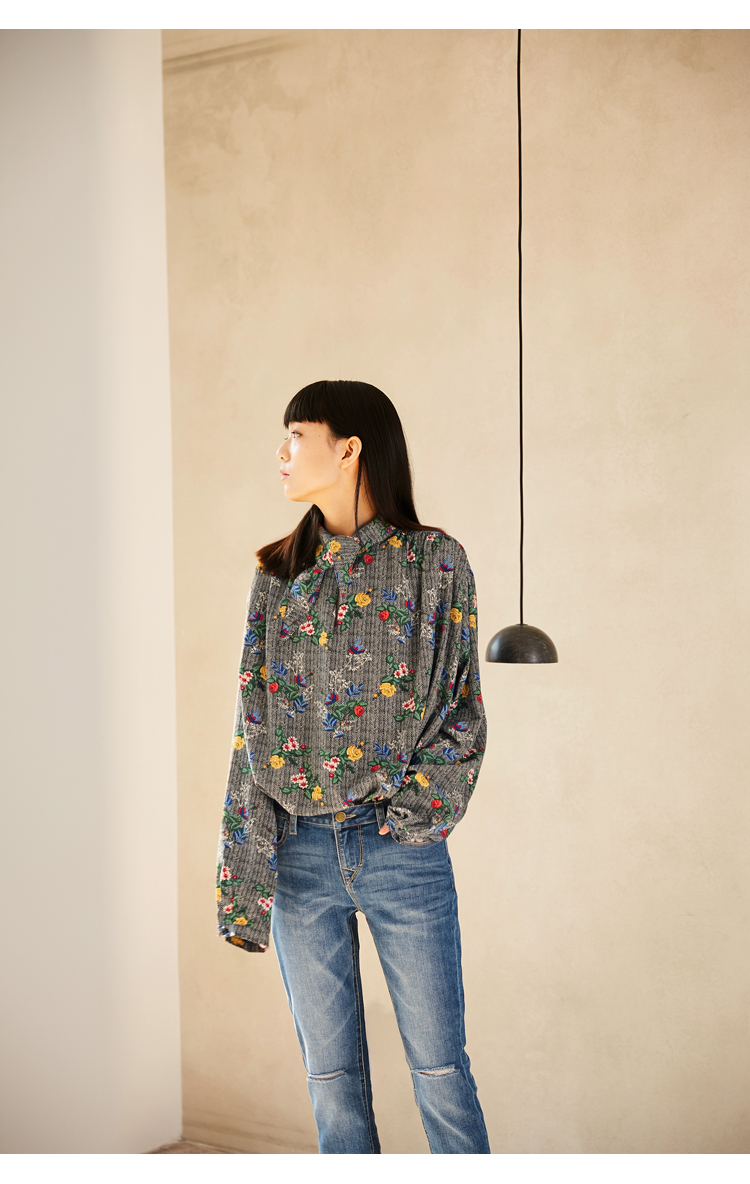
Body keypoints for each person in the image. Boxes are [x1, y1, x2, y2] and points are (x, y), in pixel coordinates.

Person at [216, 379, 491, 1154]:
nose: (282, 453)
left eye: (296, 435)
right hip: (298, 855)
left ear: (349, 449)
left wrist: (411, 820)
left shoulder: (436, 563)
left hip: (399, 849)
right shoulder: (278, 572)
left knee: (440, 1072)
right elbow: (252, 727)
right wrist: (245, 875)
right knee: (331, 1082)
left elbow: (461, 709)